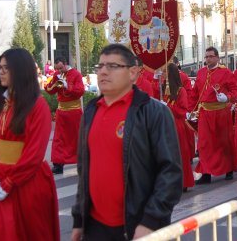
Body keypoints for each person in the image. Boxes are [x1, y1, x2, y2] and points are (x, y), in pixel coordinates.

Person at [71, 44, 182, 240]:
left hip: (136, 227)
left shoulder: (153, 112)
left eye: (112, 66)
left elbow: (170, 173)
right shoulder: (91, 110)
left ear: (132, 73)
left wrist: (150, 221)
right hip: (95, 226)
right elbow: (84, 169)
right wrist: (79, 219)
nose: (103, 71)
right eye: (100, 66)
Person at [0, 48, 59, 240]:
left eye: (6, 68)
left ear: (21, 70)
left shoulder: (37, 106)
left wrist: (9, 182)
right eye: (0, 67)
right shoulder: (1, 103)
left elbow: (34, 153)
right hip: (0, 177)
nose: (0, 72)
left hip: (28, 182)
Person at [189, 46, 237, 184]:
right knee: (204, 144)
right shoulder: (201, 73)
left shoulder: (226, 73)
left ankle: (228, 168)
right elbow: (195, 93)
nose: (208, 59)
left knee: (223, 142)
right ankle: (206, 173)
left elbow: (236, 92)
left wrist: (227, 97)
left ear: (217, 57)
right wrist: (189, 109)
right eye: (206, 57)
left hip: (221, 112)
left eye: (211, 56)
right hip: (205, 113)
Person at [44, 56, 85, 175]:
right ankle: (58, 164)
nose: (60, 70)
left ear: (66, 64)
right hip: (61, 112)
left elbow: (80, 91)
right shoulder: (57, 74)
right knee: (58, 139)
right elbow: (49, 90)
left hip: (74, 112)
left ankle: (82, 163)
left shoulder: (76, 74)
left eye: (61, 68)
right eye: (57, 68)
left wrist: (68, 86)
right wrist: (54, 83)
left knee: (77, 137)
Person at [162, 63, 194, 192]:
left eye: (165, 72)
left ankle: (183, 182)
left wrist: (167, 106)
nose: (163, 75)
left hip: (177, 125)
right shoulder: (164, 89)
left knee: (180, 155)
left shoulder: (181, 91)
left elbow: (182, 111)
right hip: (165, 125)